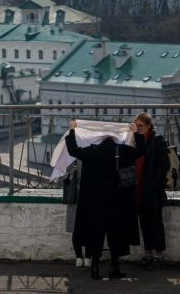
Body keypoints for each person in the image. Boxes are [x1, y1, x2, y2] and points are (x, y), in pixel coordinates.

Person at [65, 119, 141, 280]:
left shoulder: (91, 151)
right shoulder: (124, 151)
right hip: (117, 200)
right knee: (116, 234)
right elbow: (141, 151)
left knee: (95, 233)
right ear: (115, 138)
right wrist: (136, 132)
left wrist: (72, 130)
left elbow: (73, 150)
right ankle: (114, 267)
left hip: (94, 201)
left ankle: (95, 268)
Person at [130, 112, 171, 270]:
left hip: (152, 191)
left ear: (149, 126)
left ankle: (159, 256)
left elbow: (164, 165)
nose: (138, 128)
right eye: (136, 126)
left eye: (141, 126)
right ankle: (148, 253)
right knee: (145, 224)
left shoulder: (157, 141)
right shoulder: (136, 141)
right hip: (139, 190)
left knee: (155, 224)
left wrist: (154, 184)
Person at [64, 160, 91, 268]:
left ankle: (79, 257)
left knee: (76, 228)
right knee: (90, 227)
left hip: (74, 194)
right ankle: (88, 257)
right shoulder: (92, 150)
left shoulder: (71, 155)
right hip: (89, 193)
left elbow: (63, 175)